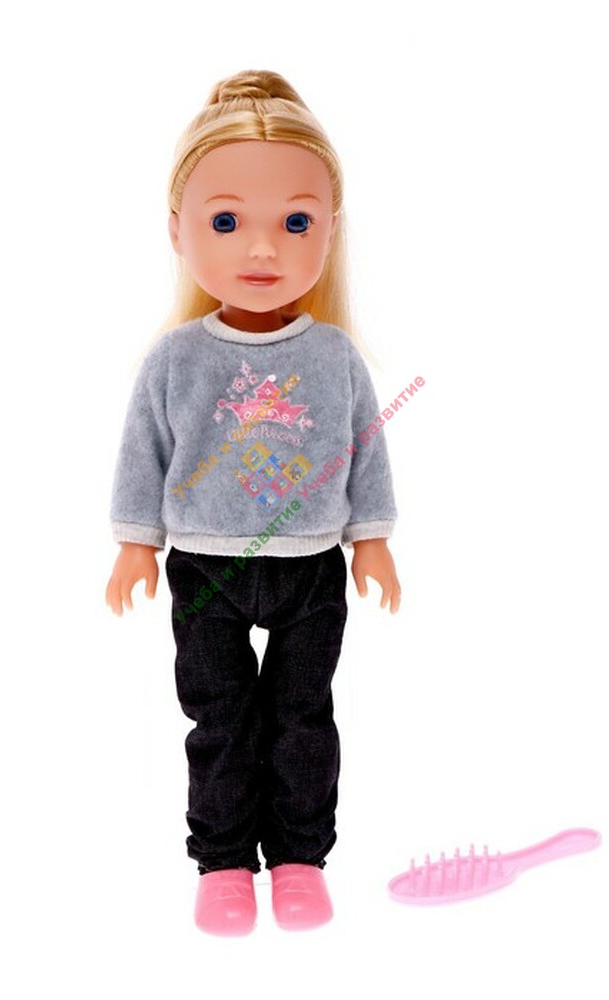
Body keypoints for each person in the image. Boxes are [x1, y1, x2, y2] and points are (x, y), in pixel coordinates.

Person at [105, 70, 401, 936]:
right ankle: (226, 864)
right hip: (207, 568)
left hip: (312, 567)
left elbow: (365, 446)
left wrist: (372, 538)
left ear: (332, 229)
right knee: (220, 719)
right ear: (177, 229)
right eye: (227, 222)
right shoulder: (176, 359)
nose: (263, 249)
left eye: (296, 223)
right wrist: (136, 542)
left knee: (304, 716)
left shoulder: (334, 356)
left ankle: (301, 859)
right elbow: (143, 452)